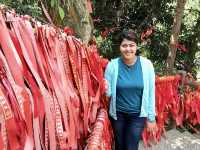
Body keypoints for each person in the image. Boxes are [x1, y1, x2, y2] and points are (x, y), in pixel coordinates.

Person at [104, 29, 157, 150]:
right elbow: (108, 93)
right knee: (119, 145)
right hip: (118, 115)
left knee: (131, 147)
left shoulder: (147, 65)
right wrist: (104, 86)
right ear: (120, 47)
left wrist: (151, 118)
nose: (128, 49)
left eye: (132, 45)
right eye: (124, 45)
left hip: (137, 116)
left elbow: (151, 93)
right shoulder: (112, 65)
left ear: (136, 46)